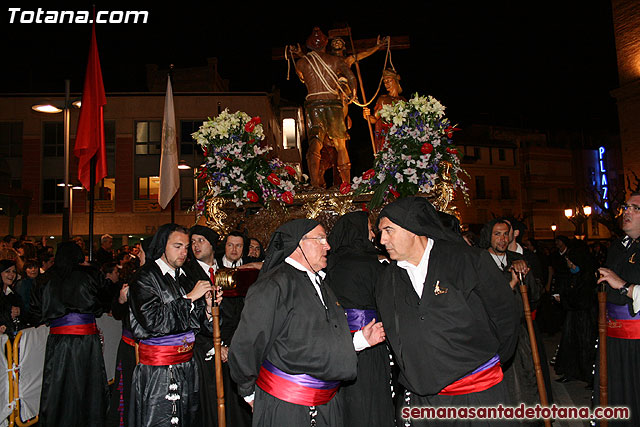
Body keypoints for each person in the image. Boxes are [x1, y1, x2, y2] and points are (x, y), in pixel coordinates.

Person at [374, 197, 520, 426]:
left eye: (389, 230)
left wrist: (484, 364)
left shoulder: (467, 260)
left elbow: (505, 316)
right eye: (381, 232)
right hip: (424, 402)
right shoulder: (386, 280)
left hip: (477, 396)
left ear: (414, 228)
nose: (382, 240)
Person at [229, 218, 385, 426]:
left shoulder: (320, 282)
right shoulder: (273, 286)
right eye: (320, 239)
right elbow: (247, 345)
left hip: (327, 403)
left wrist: (360, 340)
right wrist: (248, 392)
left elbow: (313, 340)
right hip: (287, 406)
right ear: (298, 244)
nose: (327, 246)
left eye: (326, 240)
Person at [128, 223, 216, 427]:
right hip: (159, 369)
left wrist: (208, 310)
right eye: (178, 246)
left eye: (186, 247)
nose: (184, 252)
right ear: (162, 246)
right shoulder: (145, 277)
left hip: (187, 363)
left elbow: (196, 325)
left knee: (189, 417)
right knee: (162, 419)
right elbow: (153, 320)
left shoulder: (184, 276)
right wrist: (189, 299)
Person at [30, 241, 110, 427]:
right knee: (88, 382)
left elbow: (35, 311)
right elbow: (103, 303)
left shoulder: (45, 279)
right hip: (86, 340)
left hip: (59, 340)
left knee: (58, 384)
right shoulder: (90, 275)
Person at [326, 211, 395, 427]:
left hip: (337, 345)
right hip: (369, 342)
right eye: (368, 228)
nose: (373, 234)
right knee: (369, 403)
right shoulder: (371, 265)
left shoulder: (331, 264)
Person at [478, 218, 552, 415]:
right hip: (491, 333)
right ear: (488, 236)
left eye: (505, 234)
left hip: (519, 333)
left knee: (526, 381)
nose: (502, 239)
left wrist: (525, 274)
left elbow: (535, 296)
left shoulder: (517, 259)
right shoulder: (479, 261)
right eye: (497, 234)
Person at [183, 225, 252, 427]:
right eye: (192, 242)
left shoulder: (226, 270)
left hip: (235, 347)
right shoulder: (188, 274)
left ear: (213, 245)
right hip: (207, 350)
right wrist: (216, 346)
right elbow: (190, 319)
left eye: (201, 241)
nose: (196, 245)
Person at [291, 27, 358, 188]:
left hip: (314, 106)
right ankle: (346, 184)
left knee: (315, 141)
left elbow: (302, 76)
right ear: (325, 44)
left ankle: (314, 184)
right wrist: (353, 94)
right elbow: (351, 78)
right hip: (333, 105)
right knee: (340, 144)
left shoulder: (301, 62)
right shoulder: (336, 61)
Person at [595, 193, 640, 426]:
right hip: (614, 338)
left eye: (635, 208)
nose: (627, 212)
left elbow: (621, 284)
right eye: (626, 207)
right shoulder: (617, 246)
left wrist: (623, 286)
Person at [553, 245, 597, 386]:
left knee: (587, 347)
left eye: (571, 261)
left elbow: (584, 299)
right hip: (573, 318)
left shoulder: (588, 277)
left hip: (586, 319)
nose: (569, 264)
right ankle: (570, 372)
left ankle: (591, 377)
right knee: (570, 346)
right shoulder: (572, 276)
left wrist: (564, 299)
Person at [363, 68, 407, 152]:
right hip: (387, 136)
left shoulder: (403, 100)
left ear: (395, 80)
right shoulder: (383, 99)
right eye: (384, 82)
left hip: (401, 135)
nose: (386, 84)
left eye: (389, 81)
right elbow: (374, 119)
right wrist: (367, 115)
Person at [0, 259, 24, 337]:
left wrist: (19, 311)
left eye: (14, 271)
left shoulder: (14, 294)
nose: (11, 275)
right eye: (7, 271)